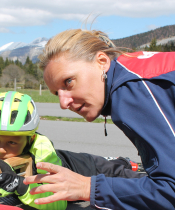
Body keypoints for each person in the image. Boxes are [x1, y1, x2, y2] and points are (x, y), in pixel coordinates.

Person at [23, 29, 175, 209]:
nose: (63, 103)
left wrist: (87, 187)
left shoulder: (132, 89)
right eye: (57, 93)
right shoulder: (132, 71)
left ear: (102, 61)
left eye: (69, 82)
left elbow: (170, 190)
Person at [0, 91, 144, 210]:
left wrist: (20, 186)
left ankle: (125, 162)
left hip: (81, 166)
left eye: (11, 142)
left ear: (30, 139)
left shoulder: (43, 152)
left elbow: (57, 203)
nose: (1, 150)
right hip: (66, 162)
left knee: (121, 173)